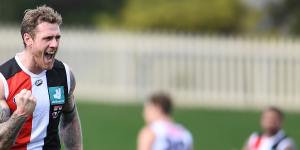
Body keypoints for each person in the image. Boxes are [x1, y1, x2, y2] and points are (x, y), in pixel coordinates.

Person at [0, 5, 82, 150]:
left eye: (57, 38)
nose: (55, 44)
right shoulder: (4, 81)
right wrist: (21, 114)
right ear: (28, 39)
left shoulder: (64, 74)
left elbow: (70, 119)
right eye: (48, 38)